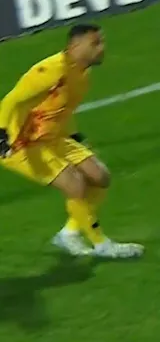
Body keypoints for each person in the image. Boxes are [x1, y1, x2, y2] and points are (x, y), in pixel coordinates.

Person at [0, 24, 144, 258]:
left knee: (99, 177)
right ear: (75, 46)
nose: (102, 48)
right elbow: (11, 100)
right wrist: (1, 135)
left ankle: (68, 234)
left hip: (52, 137)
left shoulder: (82, 75)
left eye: (101, 42)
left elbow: (62, 110)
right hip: (20, 142)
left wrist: (74, 136)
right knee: (75, 184)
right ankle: (101, 244)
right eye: (95, 43)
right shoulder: (50, 71)